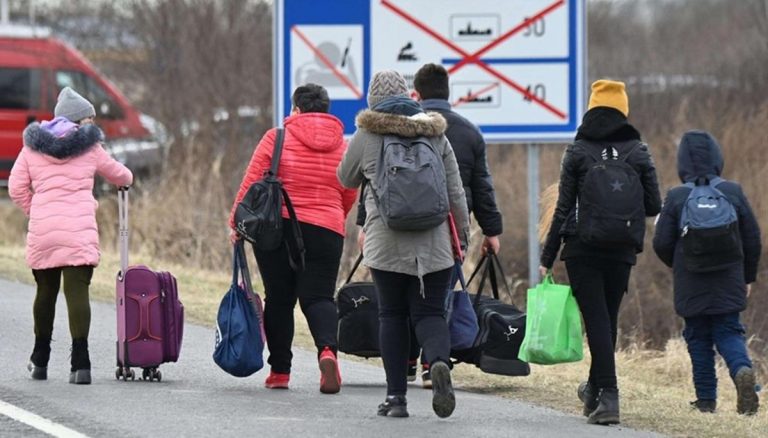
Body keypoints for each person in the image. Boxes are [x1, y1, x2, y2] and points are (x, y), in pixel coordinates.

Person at [337, 70, 470, 418]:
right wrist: (464, 238)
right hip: (435, 244)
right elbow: (455, 191)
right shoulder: (435, 132)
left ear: (372, 100)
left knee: (392, 315)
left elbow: (345, 177)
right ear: (409, 96)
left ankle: (396, 399)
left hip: (386, 241)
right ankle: (438, 362)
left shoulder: (367, 133)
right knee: (429, 313)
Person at [538, 79, 662, 425]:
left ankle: (609, 396)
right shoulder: (639, 151)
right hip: (621, 248)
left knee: (596, 321)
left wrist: (547, 258)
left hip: (582, 247)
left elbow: (563, 209)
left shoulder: (578, 151)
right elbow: (654, 204)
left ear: (592, 107)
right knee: (607, 320)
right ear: (623, 109)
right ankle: (594, 391)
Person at [229, 83, 356, 394]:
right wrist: (334, 217)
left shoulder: (277, 138)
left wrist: (236, 222)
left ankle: (280, 372)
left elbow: (253, 181)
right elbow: (350, 190)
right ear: (327, 111)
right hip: (326, 228)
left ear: (296, 110)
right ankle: (327, 351)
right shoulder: (343, 145)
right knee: (320, 297)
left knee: (279, 298)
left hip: (277, 227)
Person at [9, 87, 134, 384]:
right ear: (79, 120)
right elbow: (122, 175)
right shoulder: (90, 147)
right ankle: (81, 364)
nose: (92, 122)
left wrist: (37, 210)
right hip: (78, 231)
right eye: (89, 118)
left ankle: (39, 361)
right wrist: (126, 180)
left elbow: (15, 188)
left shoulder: (32, 148)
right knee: (76, 293)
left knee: (45, 292)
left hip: (44, 231)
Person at [653, 130, 761, 415]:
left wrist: (678, 264)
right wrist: (748, 276)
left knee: (698, 337)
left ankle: (705, 401)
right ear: (717, 158)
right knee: (729, 330)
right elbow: (753, 238)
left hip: (691, 279)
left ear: (682, 164)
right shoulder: (732, 192)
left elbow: (661, 242)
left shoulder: (676, 196)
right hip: (729, 278)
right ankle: (741, 370)